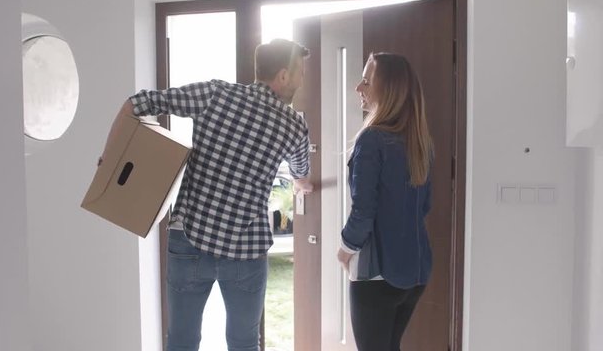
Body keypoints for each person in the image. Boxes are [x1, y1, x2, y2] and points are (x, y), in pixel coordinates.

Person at [101, 38, 313, 351]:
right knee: (243, 344)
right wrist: (302, 184)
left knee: (182, 341)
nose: (302, 79)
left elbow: (137, 103)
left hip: (189, 240)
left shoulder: (214, 94)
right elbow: (301, 172)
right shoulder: (294, 127)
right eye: (299, 72)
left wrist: (109, 160)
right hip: (246, 248)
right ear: (282, 76)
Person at [337, 53, 434, 351]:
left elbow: (364, 210)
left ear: (389, 89)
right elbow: (424, 206)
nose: (358, 88)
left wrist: (346, 248)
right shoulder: (420, 142)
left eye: (367, 80)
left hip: (377, 274)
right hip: (415, 272)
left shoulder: (373, 139)